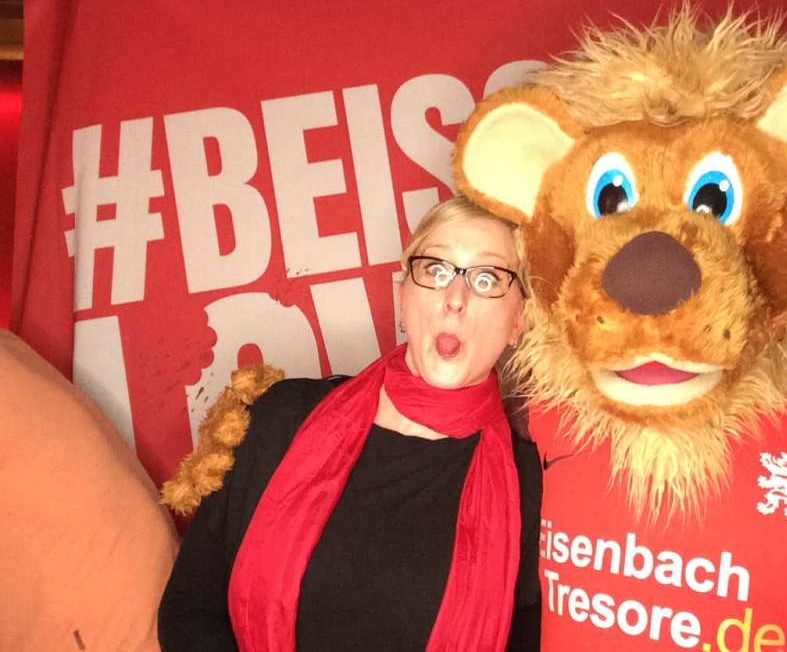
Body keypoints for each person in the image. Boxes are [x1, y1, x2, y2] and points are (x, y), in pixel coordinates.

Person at [158, 195, 541, 651]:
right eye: (437, 270)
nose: (455, 299)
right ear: (403, 298)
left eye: (487, 278)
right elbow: (190, 604)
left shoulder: (530, 482)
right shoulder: (279, 417)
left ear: (518, 321)